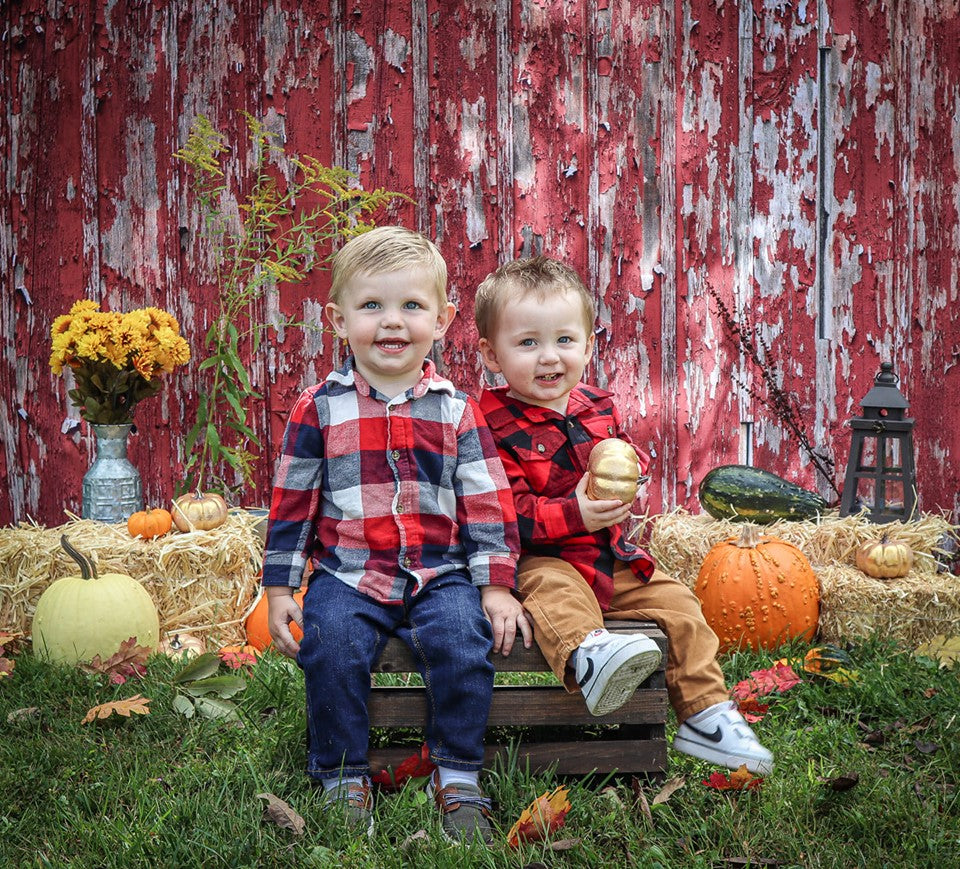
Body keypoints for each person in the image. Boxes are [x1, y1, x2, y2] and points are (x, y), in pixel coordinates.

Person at [261, 226, 532, 843]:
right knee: (330, 644)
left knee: (463, 641)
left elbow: (486, 504)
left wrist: (494, 586)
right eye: (372, 306)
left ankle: (457, 774)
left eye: (411, 305)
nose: (392, 321)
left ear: (442, 319)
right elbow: (293, 503)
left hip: (440, 572)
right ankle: (342, 776)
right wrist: (280, 588)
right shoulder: (319, 408)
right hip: (349, 573)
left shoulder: (456, 410)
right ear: (338, 320)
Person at [474, 256, 773, 775]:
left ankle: (706, 715)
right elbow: (504, 516)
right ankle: (593, 658)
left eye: (564, 340)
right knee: (556, 593)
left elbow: (627, 456)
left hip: (608, 557)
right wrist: (575, 514)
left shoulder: (598, 406)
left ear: (588, 345)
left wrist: (628, 473)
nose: (549, 356)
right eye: (527, 343)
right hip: (540, 558)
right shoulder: (487, 424)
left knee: (680, 603)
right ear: (491, 354)